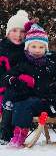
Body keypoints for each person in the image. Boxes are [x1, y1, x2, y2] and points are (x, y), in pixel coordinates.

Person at [4, 22, 56, 148]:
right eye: (34, 46)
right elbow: (8, 76)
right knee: (22, 105)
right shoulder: (23, 64)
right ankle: (19, 136)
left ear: (46, 48)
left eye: (41, 47)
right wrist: (14, 81)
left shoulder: (51, 64)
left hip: (52, 99)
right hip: (35, 100)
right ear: (27, 47)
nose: (37, 50)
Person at [0, 10, 28, 144]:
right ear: (7, 32)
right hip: (4, 88)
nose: (18, 35)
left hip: (22, 88)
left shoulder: (28, 50)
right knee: (10, 94)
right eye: (14, 30)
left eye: (22, 31)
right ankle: (5, 132)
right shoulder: (2, 49)